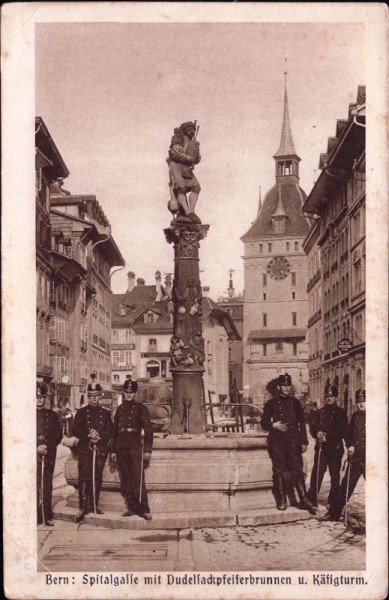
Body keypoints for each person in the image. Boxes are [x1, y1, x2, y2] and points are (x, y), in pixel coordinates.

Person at [260, 373, 315, 513]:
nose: (286, 388)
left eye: (288, 386)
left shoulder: (295, 403)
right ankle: (282, 500)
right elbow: (263, 423)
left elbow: (301, 424)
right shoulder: (271, 403)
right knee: (279, 470)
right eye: (284, 386)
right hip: (277, 441)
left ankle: (303, 499)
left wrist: (304, 442)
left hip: (293, 440)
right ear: (279, 387)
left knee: (297, 468)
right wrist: (273, 425)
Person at [111, 378, 153, 520]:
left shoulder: (142, 408)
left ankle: (144, 508)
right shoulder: (120, 410)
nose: (129, 395)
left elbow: (148, 431)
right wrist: (113, 451)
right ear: (123, 393)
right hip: (121, 445)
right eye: (126, 392)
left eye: (131, 393)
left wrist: (147, 450)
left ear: (135, 394)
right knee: (126, 478)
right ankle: (132, 507)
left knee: (138, 477)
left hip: (135, 445)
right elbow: (114, 431)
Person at [322, 389, 366, 522]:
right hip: (356, 457)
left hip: (371, 460)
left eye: (363, 401)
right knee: (345, 486)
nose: (360, 404)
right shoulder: (355, 416)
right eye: (358, 401)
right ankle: (334, 513)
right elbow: (348, 434)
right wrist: (350, 446)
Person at [72, 379, 112, 522]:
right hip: (85, 449)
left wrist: (100, 437)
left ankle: (94, 504)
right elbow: (75, 429)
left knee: (97, 476)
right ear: (88, 396)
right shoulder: (82, 412)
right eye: (91, 395)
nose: (94, 398)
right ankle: (83, 507)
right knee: (84, 476)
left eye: (96, 395)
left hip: (100, 449)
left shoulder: (106, 413)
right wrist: (88, 435)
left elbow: (110, 431)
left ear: (100, 395)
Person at [307, 385, 348, 508]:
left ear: (336, 398)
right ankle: (312, 499)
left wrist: (328, 436)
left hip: (335, 449)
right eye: (327, 396)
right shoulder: (320, 412)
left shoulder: (341, 413)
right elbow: (313, 427)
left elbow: (343, 431)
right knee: (317, 473)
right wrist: (317, 433)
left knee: (334, 475)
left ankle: (333, 501)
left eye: (332, 396)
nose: (329, 399)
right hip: (322, 449)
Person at [36, 382, 63, 526]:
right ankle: (34, 515)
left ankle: (46, 515)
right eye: (36, 397)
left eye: (41, 397)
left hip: (48, 454)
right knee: (33, 485)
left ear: (45, 398)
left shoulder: (52, 415)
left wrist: (46, 445)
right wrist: (36, 447)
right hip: (33, 455)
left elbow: (58, 435)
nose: (39, 400)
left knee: (47, 485)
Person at [167, 121, 201, 222]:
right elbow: (175, 153)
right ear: (186, 130)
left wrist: (196, 151)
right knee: (181, 188)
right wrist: (189, 158)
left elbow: (197, 159)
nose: (192, 132)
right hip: (176, 166)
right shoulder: (177, 139)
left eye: (193, 130)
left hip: (186, 168)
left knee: (196, 187)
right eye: (190, 130)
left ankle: (191, 211)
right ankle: (187, 212)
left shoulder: (193, 142)